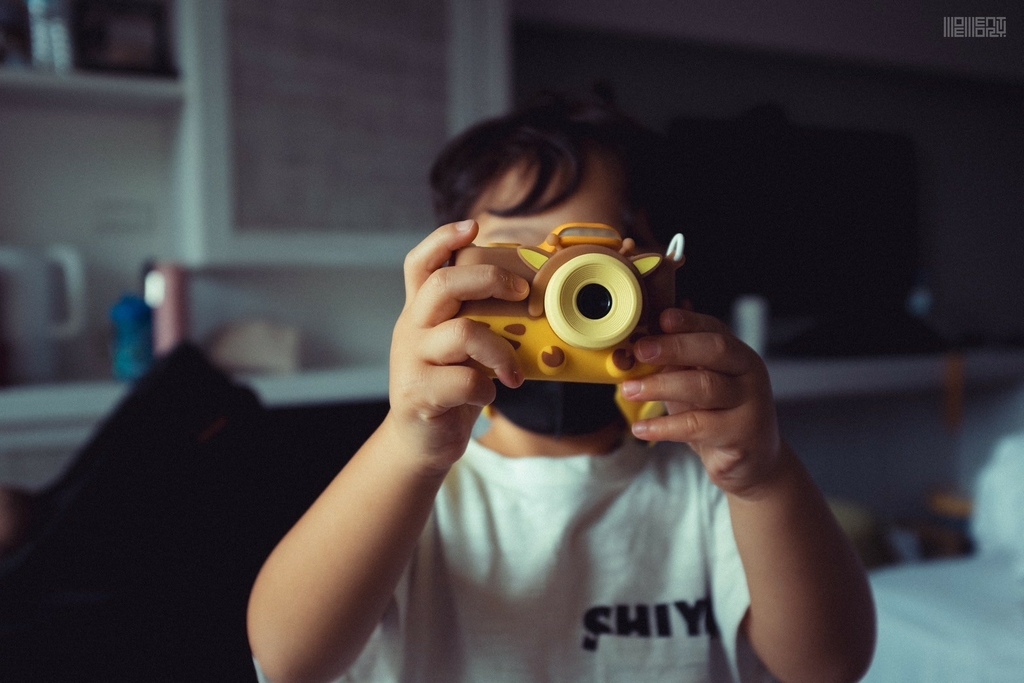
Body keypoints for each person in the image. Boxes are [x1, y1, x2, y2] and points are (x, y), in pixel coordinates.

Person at [246, 94, 876, 683]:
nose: (560, 305)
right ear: (448, 284)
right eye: (519, 267)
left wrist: (763, 478)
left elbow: (828, 667)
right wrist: (408, 444)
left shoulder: (713, 489)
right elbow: (290, 660)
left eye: (594, 276)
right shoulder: (405, 491)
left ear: (663, 284)